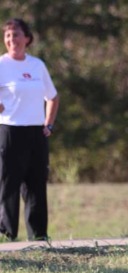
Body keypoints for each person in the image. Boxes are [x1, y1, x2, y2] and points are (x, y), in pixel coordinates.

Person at [0, 18, 59, 241]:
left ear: (27, 38)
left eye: (16, 34)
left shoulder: (37, 65)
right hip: (10, 131)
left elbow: (52, 97)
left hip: (36, 132)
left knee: (36, 184)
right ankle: (6, 234)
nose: (11, 39)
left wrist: (48, 123)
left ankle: (39, 236)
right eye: (7, 35)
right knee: (8, 185)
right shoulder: (2, 65)